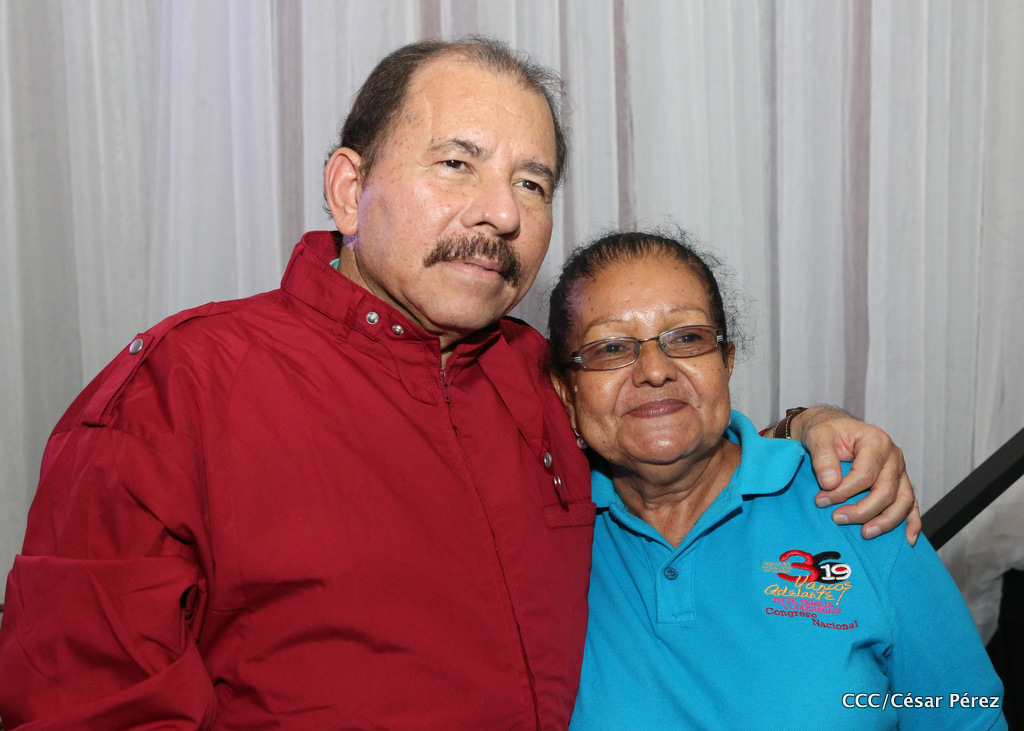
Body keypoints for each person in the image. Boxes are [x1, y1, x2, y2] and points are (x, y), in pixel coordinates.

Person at [0, 38, 916, 729]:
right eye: (457, 163)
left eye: (533, 183)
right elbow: (85, 701)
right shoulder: (183, 388)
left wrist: (811, 427)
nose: (501, 212)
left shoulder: (539, 380)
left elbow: (668, 428)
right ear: (349, 188)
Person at [547, 230, 1005, 730]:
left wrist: (804, 421)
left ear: (726, 362)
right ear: (567, 391)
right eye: (612, 348)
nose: (655, 371)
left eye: (686, 338)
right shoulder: (544, 527)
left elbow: (965, 713)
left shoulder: (852, 501)